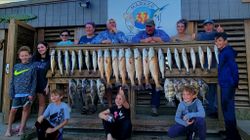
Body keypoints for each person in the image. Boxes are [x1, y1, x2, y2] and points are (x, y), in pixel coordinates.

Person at [194, 19, 224, 118]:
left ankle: (213, 110)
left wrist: (220, 34)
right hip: (204, 66)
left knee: (214, 88)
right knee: (205, 88)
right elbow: (197, 37)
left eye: (210, 25)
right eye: (206, 25)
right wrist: (217, 34)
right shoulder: (202, 35)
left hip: (216, 65)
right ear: (203, 27)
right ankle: (208, 110)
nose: (208, 27)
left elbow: (224, 40)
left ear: (213, 26)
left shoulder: (219, 34)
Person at [5, 46, 37, 137]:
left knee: (25, 110)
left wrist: (32, 93)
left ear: (30, 56)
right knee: (13, 111)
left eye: (26, 55)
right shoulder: (16, 66)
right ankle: (9, 129)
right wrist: (11, 92)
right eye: (22, 55)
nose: (24, 57)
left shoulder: (32, 67)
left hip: (27, 93)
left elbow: (34, 81)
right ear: (19, 56)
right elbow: (12, 80)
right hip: (17, 93)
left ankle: (21, 129)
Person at [215, 32, 241, 140]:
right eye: (216, 41)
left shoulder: (227, 52)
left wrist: (235, 83)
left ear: (226, 41)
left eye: (220, 40)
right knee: (227, 110)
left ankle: (232, 137)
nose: (217, 43)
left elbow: (234, 67)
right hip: (225, 84)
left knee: (228, 110)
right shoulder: (223, 52)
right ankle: (232, 134)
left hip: (228, 85)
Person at [33, 41, 50, 116]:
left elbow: (52, 73)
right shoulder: (34, 58)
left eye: (42, 47)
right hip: (33, 84)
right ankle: (23, 125)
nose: (40, 49)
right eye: (38, 48)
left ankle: (38, 123)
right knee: (27, 104)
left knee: (42, 104)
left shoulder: (50, 58)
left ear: (47, 47)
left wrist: (47, 86)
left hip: (43, 84)